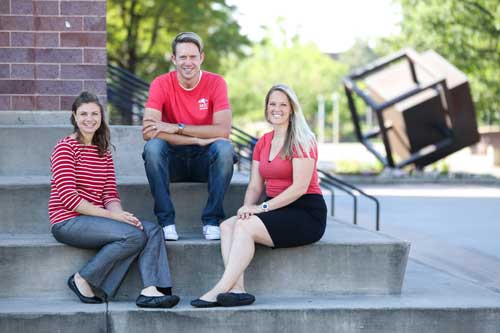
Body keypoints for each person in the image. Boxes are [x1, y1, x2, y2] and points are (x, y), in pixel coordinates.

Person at [191, 84, 327, 308]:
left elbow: (299, 188)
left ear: (292, 109)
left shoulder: (303, 139)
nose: (277, 109)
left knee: (244, 227)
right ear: (266, 108)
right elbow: (255, 186)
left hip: (305, 212)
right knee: (228, 226)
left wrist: (260, 209)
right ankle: (237, 290)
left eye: (283, 104)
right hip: (276, 208)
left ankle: (219, 289)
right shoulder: (263, 142)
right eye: (272, 104)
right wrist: (247, 208)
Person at [49, 92, 179, 308]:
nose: (89, 119)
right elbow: (69, 198)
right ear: (74, 116)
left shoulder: (103, 151)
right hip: (68, 221)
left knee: (152, 230)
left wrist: (120, 215)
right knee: (134, 236)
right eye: (83, 114)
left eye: (94, 114)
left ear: (101, 117)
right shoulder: (65, 148)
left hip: (97, 218)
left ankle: (151, 290)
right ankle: (83, 278)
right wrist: (112, 216)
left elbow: (109, 192)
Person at [142, 31, 234, 241]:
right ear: (174, 59)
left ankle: (212, 221)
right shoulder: (161, 84)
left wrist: (177, 127)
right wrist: (195, 139)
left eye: (193, 57)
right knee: (153, 148)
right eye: (182, 57)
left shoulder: (216, 83)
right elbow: (148, 131)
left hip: (205, 162)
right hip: (172, 161)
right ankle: (166, 223)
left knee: (224, 148)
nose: (188, 62)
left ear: (202, 57)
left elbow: (222, 131)